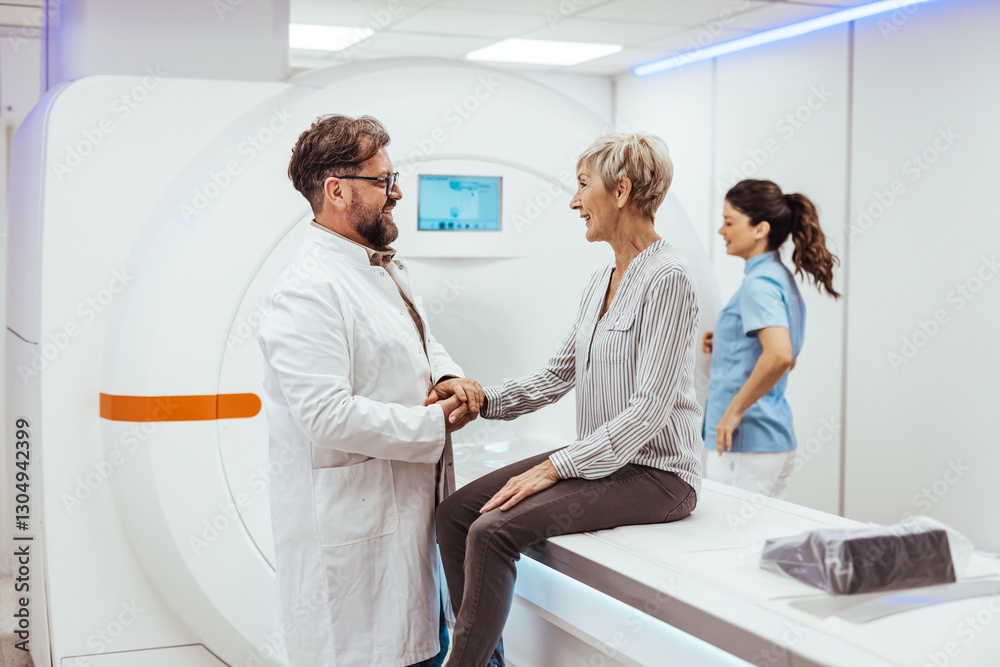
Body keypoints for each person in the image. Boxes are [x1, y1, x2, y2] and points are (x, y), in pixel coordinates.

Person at [430, 132, 702, 667]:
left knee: (492, 532)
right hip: (604, 465)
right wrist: (484, 399)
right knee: (455, 514)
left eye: (582, 187)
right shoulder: (602, 277)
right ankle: (487, 661)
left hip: (658, 474)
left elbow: (648, 409)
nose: (574, 202)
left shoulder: (670, 277)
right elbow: (558, 374)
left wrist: (556, 467)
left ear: (621, 190)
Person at [256, 114, 484, 667]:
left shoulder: (379, 269)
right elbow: (327, 417)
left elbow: (417, 345)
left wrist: (448, 378)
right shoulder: (307, 289)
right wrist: (437, 424)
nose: (397, 192)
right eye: (383, 181)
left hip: (406, 524)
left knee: (423, 641)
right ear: (336, 190)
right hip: (354, 548)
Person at [701, 179, 840, 498]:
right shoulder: (778, 279)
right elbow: (783, 356)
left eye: (729, 222)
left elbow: (779, 356)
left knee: (731, 543)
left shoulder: (759, 286)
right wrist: (727, 342)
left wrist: (733, 411)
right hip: (766, 444)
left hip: (745, 444)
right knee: (756, 543)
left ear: (760, 229)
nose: (722, 231)